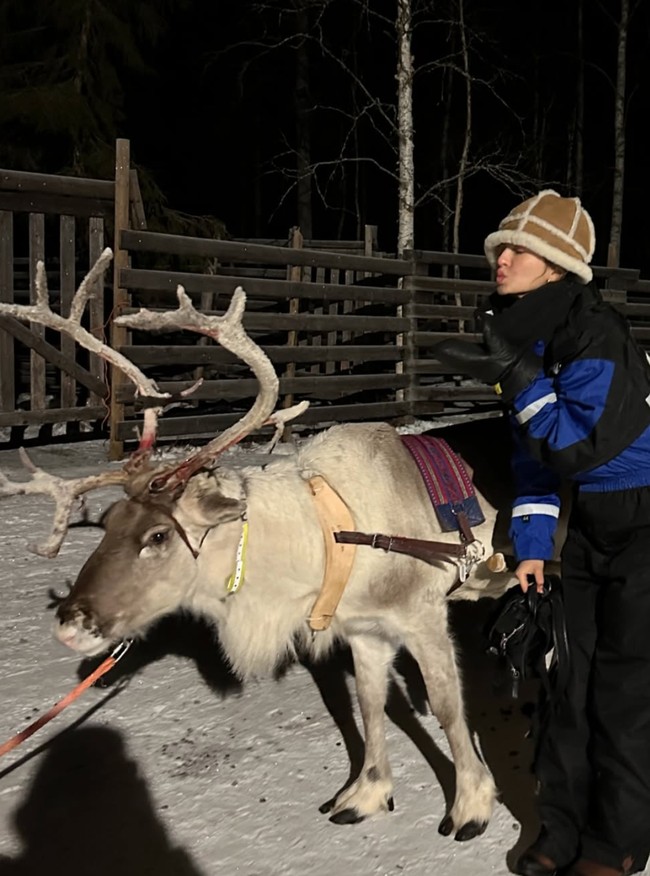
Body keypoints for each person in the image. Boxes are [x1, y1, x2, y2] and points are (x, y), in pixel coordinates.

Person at [433, 189, 650, 876]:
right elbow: (535, 457)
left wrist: (522, 377)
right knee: (567, 686)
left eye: (518, 249)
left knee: (623, 694)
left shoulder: (599, 337)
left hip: (646, 522)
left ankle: (613, 846)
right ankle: (559, 829)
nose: (501, 258)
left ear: (556, 267)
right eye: (499, 248)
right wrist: (531, 548)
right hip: (586, 527)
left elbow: (578, 446)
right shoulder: (529, 336)